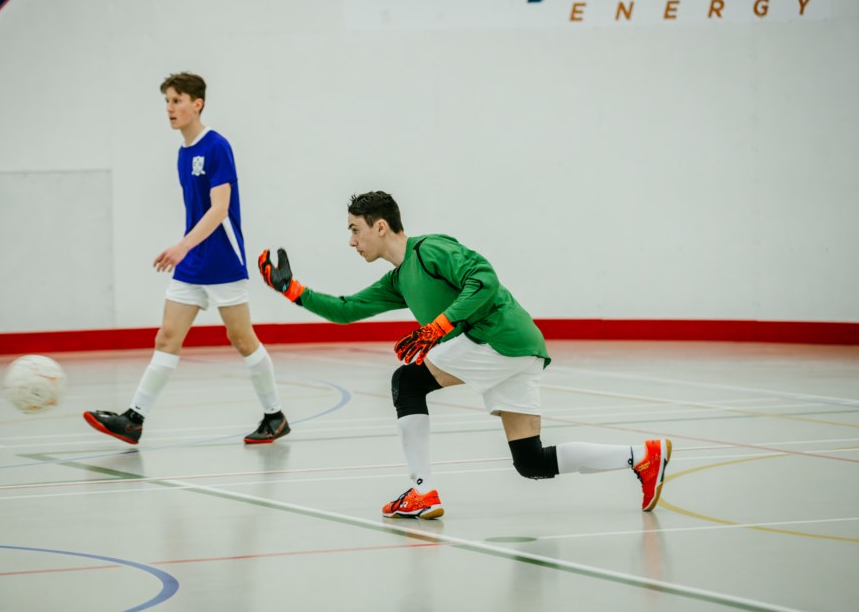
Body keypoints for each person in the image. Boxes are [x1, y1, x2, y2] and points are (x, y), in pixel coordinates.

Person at [258, 191, 671, 519]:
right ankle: (641, 457)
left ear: (380, 226)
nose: (350, 241)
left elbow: (485, 279)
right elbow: (347, 310)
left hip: (495, 335)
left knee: (407, 381)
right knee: (531, 461)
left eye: (354, 230)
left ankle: (422, 491)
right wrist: (291, 290)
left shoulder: (430, 250)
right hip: (522, 348)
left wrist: (438, 327)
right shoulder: (399, 280)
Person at [83, 72, 290, 446]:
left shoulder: (217, 146)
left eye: (177, 101)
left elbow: (220, 209)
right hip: (192, 265)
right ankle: (134, 419)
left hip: (223, 261)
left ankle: (274, 416)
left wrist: (181, 245)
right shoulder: (183, 152)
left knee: (242, 340)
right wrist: (186, 251)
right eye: (166, 101)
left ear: (197, 104)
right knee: (167, 337)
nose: (170, 108)